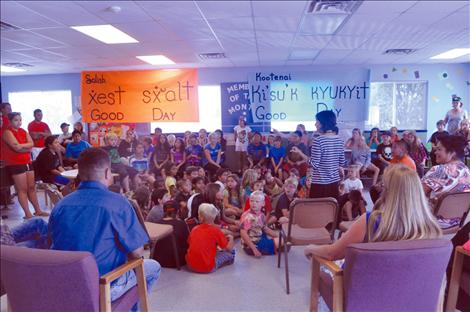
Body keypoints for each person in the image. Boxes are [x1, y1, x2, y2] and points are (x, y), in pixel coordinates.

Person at [49, 147, 160, 308]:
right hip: (104, 285)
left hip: (64, 284)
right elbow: (137, 252)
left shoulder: (60, 205)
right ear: (107, 172)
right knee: (152, 268)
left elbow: (53, 242)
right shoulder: (118, 203)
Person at [304, 165, 442, 261]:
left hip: (368, 291)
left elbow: (332, 253)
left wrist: (311, 248)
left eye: (383, 186)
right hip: (410, 295)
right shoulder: (431, 228)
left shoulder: (370, 222)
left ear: (388, 192)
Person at [2, 112, 48, 219]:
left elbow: (31, 145)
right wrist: (24, 147)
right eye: (16, 120)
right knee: (22, 189)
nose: (19, 122)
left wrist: (22, 146)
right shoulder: (7, 132)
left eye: (20, 120)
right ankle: (27, 214)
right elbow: (16, 148)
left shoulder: (23, 131)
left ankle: (38, 211)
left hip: (28, 162)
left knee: (31, 187)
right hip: (16, 164)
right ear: (10, 121)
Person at [294, 110, 345, 200]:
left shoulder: (318, 141)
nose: (315, 124)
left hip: (320, 184)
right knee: (331, 209)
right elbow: (341, 162)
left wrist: (301, 153)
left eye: (317, 121)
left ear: (323, 123)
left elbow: (314, 164)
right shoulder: (339, 140)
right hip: (334, 183)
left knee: (317, 210)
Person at [422, 135, 470, 208]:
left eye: (439, 149)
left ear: (452, 152)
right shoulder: (466, 170)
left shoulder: (439, 170)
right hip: (462, 218)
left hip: (434, 218)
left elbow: (416, 194)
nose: (435, 152)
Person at [186, 203, 235, 273]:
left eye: (199, 214)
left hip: (190, 266)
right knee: (231, 252)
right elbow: (228, 248)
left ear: (201, 218)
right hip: (207, 267)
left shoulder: (194, 229)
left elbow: (190, 242)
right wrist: (231, 238)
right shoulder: (216, 231)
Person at [151, 200, 189, 268]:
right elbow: (187, 242)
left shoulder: (157, 223)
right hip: (177, 261)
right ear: (178, 211)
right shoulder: (181, 224)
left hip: (158, 260)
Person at [240, 191, 279, 257]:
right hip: (251, 245)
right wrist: (254, 249)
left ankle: (273, 245)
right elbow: (243, 233)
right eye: (251, 201)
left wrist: (277, 235)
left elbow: (265, 229)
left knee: (281, 240)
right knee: (282, 242)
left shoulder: (262, 215)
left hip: (258, 237)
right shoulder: (248, 217)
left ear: (263, 203)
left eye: (257, 201)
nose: (254, 203)